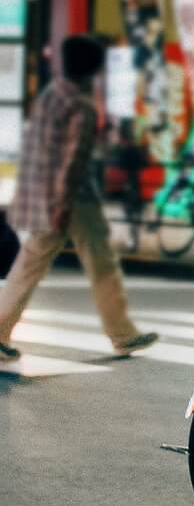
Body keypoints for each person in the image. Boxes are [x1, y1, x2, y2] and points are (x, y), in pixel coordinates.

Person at [0, 36, 158, 364]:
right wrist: (62, 203)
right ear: (92, 68)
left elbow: (36, 147)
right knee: (101, 264)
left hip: (44, 194)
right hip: (74, 199)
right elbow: (73, 161)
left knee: (28, 265)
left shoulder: (52, 95)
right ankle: (122, 334)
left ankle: (0, 330)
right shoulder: (82, 107)